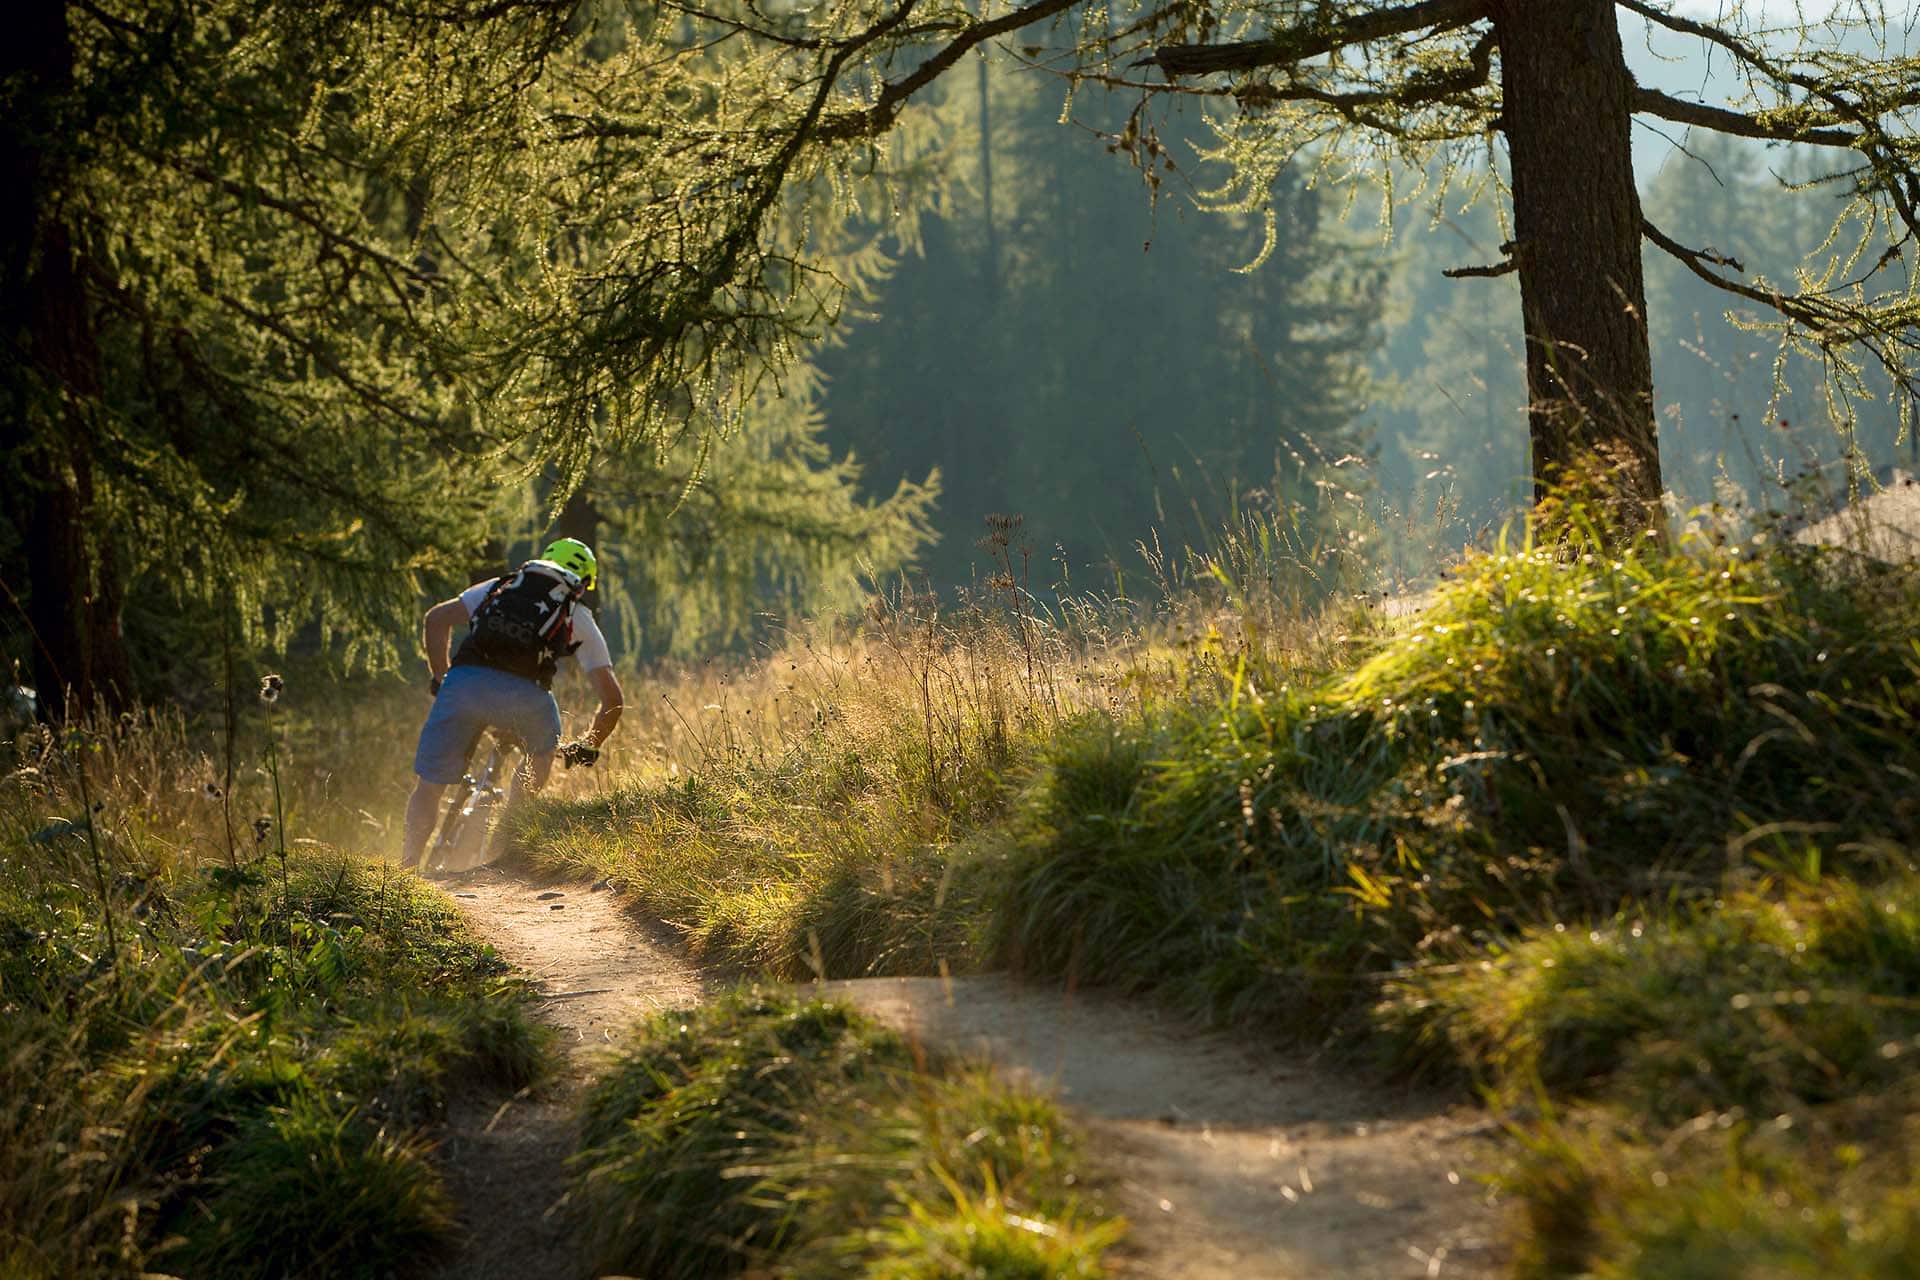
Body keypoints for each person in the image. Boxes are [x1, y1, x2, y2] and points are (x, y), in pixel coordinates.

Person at [400, 538, 623, 870]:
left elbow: (436, 619)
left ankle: (407, 866)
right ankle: (505, 847)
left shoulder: (503, 585)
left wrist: (442, 679)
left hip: (463, 685)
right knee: (540, 752)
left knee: (429, 786)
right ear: (584, 581)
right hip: (526, 700)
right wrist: (589, 745)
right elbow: (612, 701)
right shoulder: (577, 613)